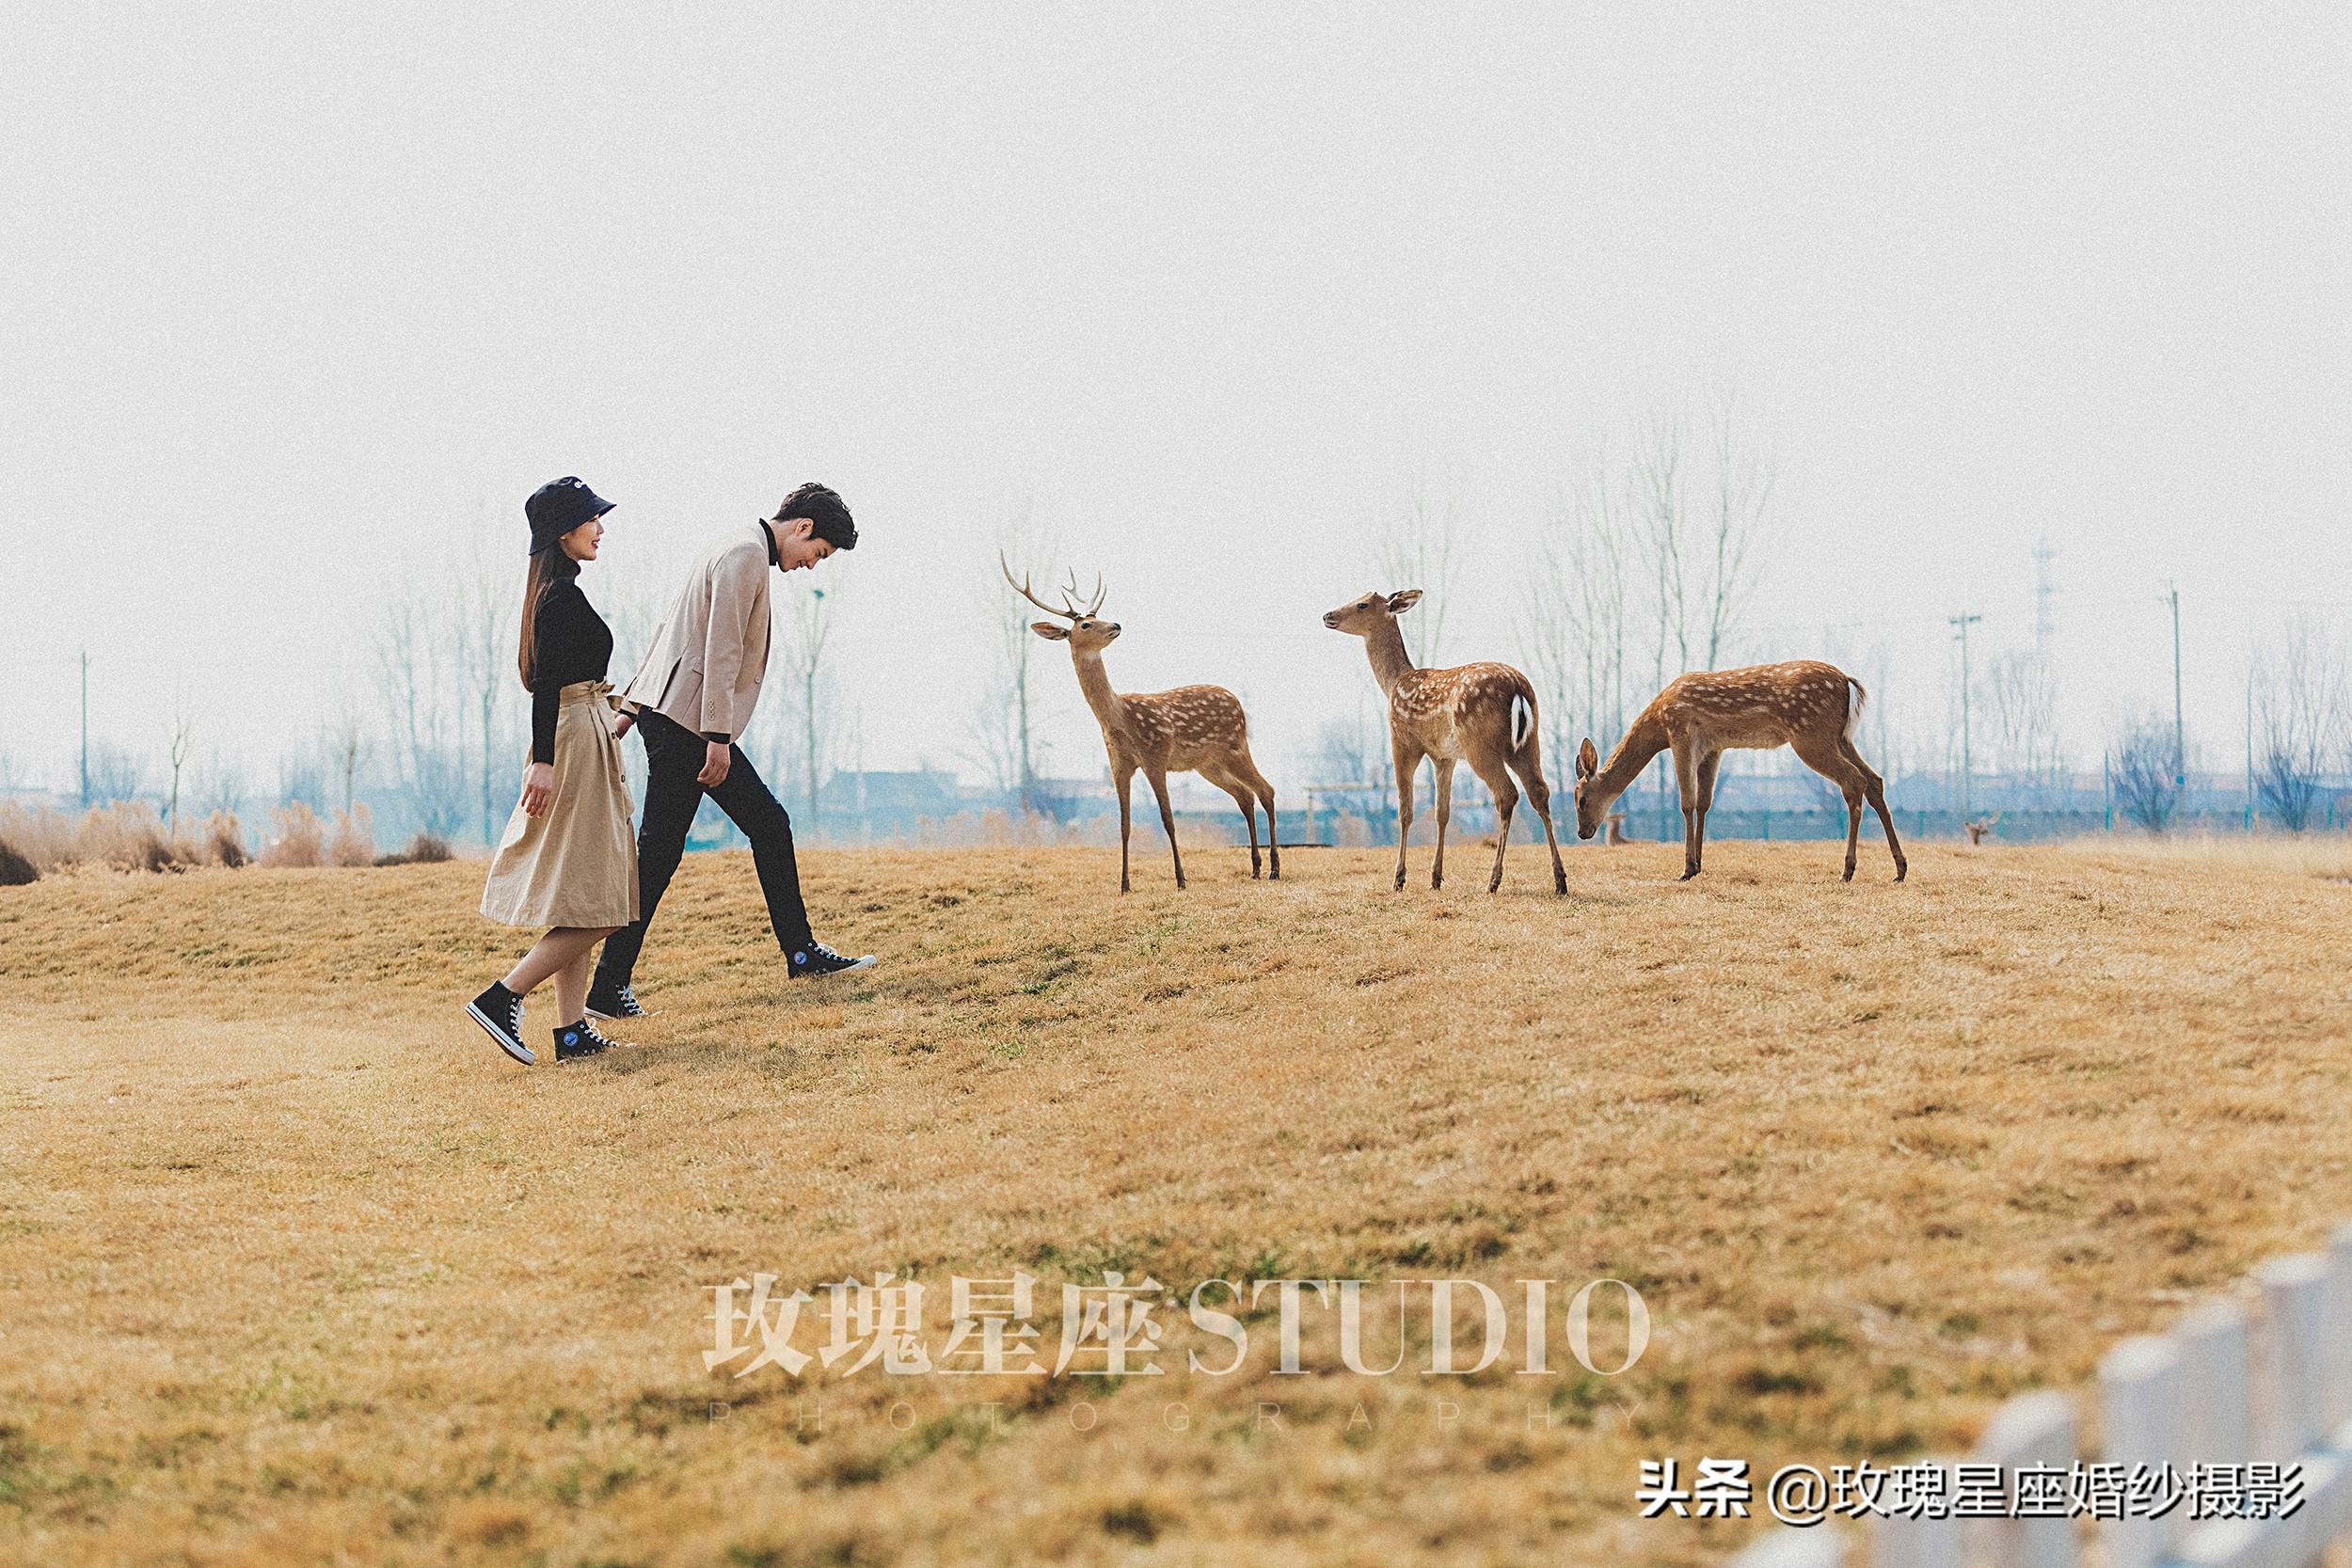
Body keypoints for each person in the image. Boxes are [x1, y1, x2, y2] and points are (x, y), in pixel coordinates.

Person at [584, 482, 872, 1021]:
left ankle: (797, 951)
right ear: (803, 527)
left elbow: (673, 628)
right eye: (820, 553)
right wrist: (717, 738)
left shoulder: (732, 543)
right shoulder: (744, 557)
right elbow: (720, 650)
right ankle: (609, 984)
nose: (814, 565)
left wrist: (634, 704)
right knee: (700, 842)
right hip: (690, 726)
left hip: (672, 715)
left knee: (709, 839)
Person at [465, 477, 639, 1066]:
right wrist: (543, 760)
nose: (601, 529)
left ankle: (570, 1033)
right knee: (607, 901)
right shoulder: (559, 599)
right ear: (564, 531)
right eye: (592, 519)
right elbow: (545, 687)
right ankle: (503, 995)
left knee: (580, 892)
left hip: (583, 732)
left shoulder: (559, 592)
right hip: (570, 743)